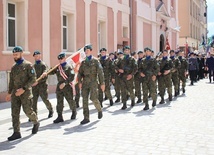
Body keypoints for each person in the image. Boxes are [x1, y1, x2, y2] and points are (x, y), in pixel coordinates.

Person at [6, 46, 40, 141]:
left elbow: (33, 78)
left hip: (25, 93)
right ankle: (16, 132)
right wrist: (9, 93)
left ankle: (35, 122)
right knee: (14, 113)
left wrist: (24, 88)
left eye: (16, 54)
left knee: (27, 111)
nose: (15, 56)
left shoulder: (28, 65)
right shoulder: (14, 67)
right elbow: (11, 81)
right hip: (15, 93)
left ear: (21, 54)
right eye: (13, 55)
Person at [78, 44, 104, 124]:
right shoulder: (83, 62)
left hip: (93, 82)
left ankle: (99, 109)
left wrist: (102, 83)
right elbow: (80, 73)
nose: (86, 52)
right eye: (85, 50)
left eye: (87, 50)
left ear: (91, 51)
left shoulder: (96, 61)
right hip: (85, 82)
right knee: (84, 100)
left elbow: (100, 73)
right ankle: (86, 117)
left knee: (93, 98)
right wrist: (79, 82)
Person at [47, 52, 77, 123]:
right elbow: (51, 71)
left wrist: (65, 83)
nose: (60, 60)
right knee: (59, 102)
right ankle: (60, 116)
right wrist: (46, 73)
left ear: (64, 58)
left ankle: (74, 111)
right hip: (59, 87)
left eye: (61, 58)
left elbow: (72, 77)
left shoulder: (69, 67)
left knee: (70, 100)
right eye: (59, 59)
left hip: (67, 87)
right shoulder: (58, 67)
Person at [32, 50, 54, 118]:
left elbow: (45, 75)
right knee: (33, 101)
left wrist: (37, 81)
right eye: (35, 56)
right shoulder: (33, 65)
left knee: (45, 99)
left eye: (37, 56)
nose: (36, 57)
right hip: (35, 86)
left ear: (40, 56)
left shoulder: (43, 65)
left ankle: (50, 110)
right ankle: (34, 114)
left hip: (42, 86)